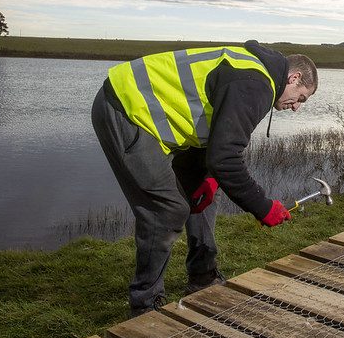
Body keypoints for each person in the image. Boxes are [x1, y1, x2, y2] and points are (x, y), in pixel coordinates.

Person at [91, 40, 317, 317]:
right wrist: (263, 207)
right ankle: (144, 304)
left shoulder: (253, 74)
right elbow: (226, 158)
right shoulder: (255, 83)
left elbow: (212, 136)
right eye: (302, 98)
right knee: (167, 209)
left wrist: (206, 178)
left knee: (204, 195)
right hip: (125, 107)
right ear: (294, 78)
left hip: (152, 117)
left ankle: (202, 277)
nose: (297, 108)